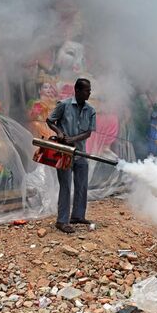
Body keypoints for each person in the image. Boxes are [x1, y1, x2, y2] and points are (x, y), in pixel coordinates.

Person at [47, 78, 96, 233]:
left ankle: (77, 216)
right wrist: (60, 133)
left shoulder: (91, 110)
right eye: (87, 90)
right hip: (64, 153)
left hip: (80, 153)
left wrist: (73, 139)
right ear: (77, 91)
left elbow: (88, 132)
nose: (89, 92)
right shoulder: (64, 105)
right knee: (66, 186)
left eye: (89, 90)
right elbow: (50, 121)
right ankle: (62, 221)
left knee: (82, 185)